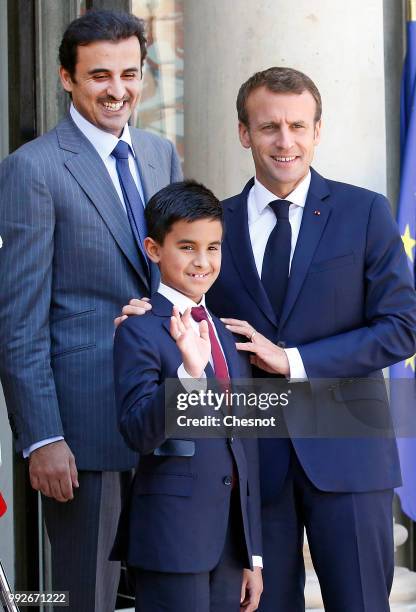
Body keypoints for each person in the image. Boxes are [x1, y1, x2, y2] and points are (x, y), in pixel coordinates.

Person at [117, 67, 416, 611]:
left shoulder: (364, 211)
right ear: (243, 133)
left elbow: (402, 327)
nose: (285, 141)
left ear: (317, 132)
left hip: (349, 451)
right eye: (269, 127)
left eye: (298, 126)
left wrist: (293, 359)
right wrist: (150, 311)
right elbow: (190, 310)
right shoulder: (215, 226)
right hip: (250, 464)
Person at [0, 9, 181, 612]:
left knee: (168, 587)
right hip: (81, 428)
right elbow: (19, 319)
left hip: (164, 415)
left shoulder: (160, 154)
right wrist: (42, 436)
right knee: (86, 598)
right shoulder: (34, 168)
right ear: (66, 79)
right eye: (99, 75)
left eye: (129, 74)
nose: (118, 90)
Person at [112, 180, 263, 612]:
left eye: (213, 248)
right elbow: (138, 432)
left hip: (228, 545)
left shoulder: (227, 334)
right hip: (170, 538)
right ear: (154, 249)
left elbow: (243, 445)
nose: (202, 261)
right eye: (187, 247)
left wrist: (252, 554)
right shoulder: (139, 329)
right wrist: (189, 375)